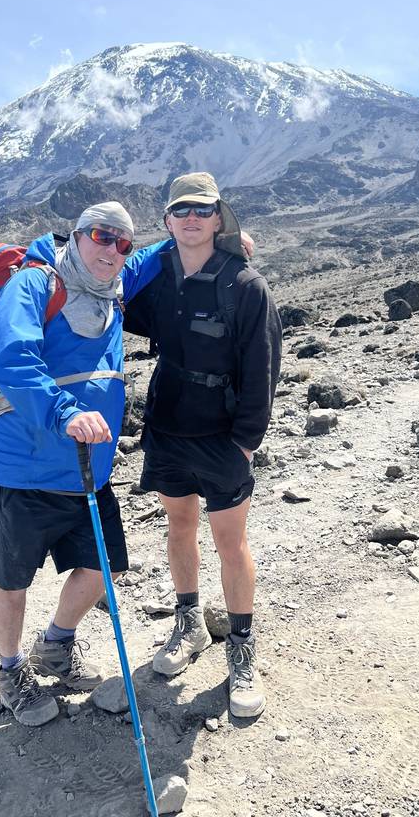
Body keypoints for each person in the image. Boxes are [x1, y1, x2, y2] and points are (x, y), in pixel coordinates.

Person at [0, 202, 172, 726]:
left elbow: (155, 254)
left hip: (88, 471)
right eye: (103, 237)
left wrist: (214, 237)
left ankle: (55, 645)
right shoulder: (35, 284)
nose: (114, 250)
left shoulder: (114, 281)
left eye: (122, 243)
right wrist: (65, 413)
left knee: (103, 567)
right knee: (11, 579)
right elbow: (12, 360)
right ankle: (11, 671)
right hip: (25, 469)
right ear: (78, 235)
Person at [123, 172, 282, 718]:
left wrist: (245, 444)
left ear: (219, 218)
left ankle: (241, 648)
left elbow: (263, 368)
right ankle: (189, 624)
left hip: (222, 437)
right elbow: (105, 290)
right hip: (167, 429)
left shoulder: (245, 285)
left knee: (230, 543)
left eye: (202, 210)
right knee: (179, 527)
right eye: (181, 211)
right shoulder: (157, 281)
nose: (192, 218)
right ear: (168, 222)